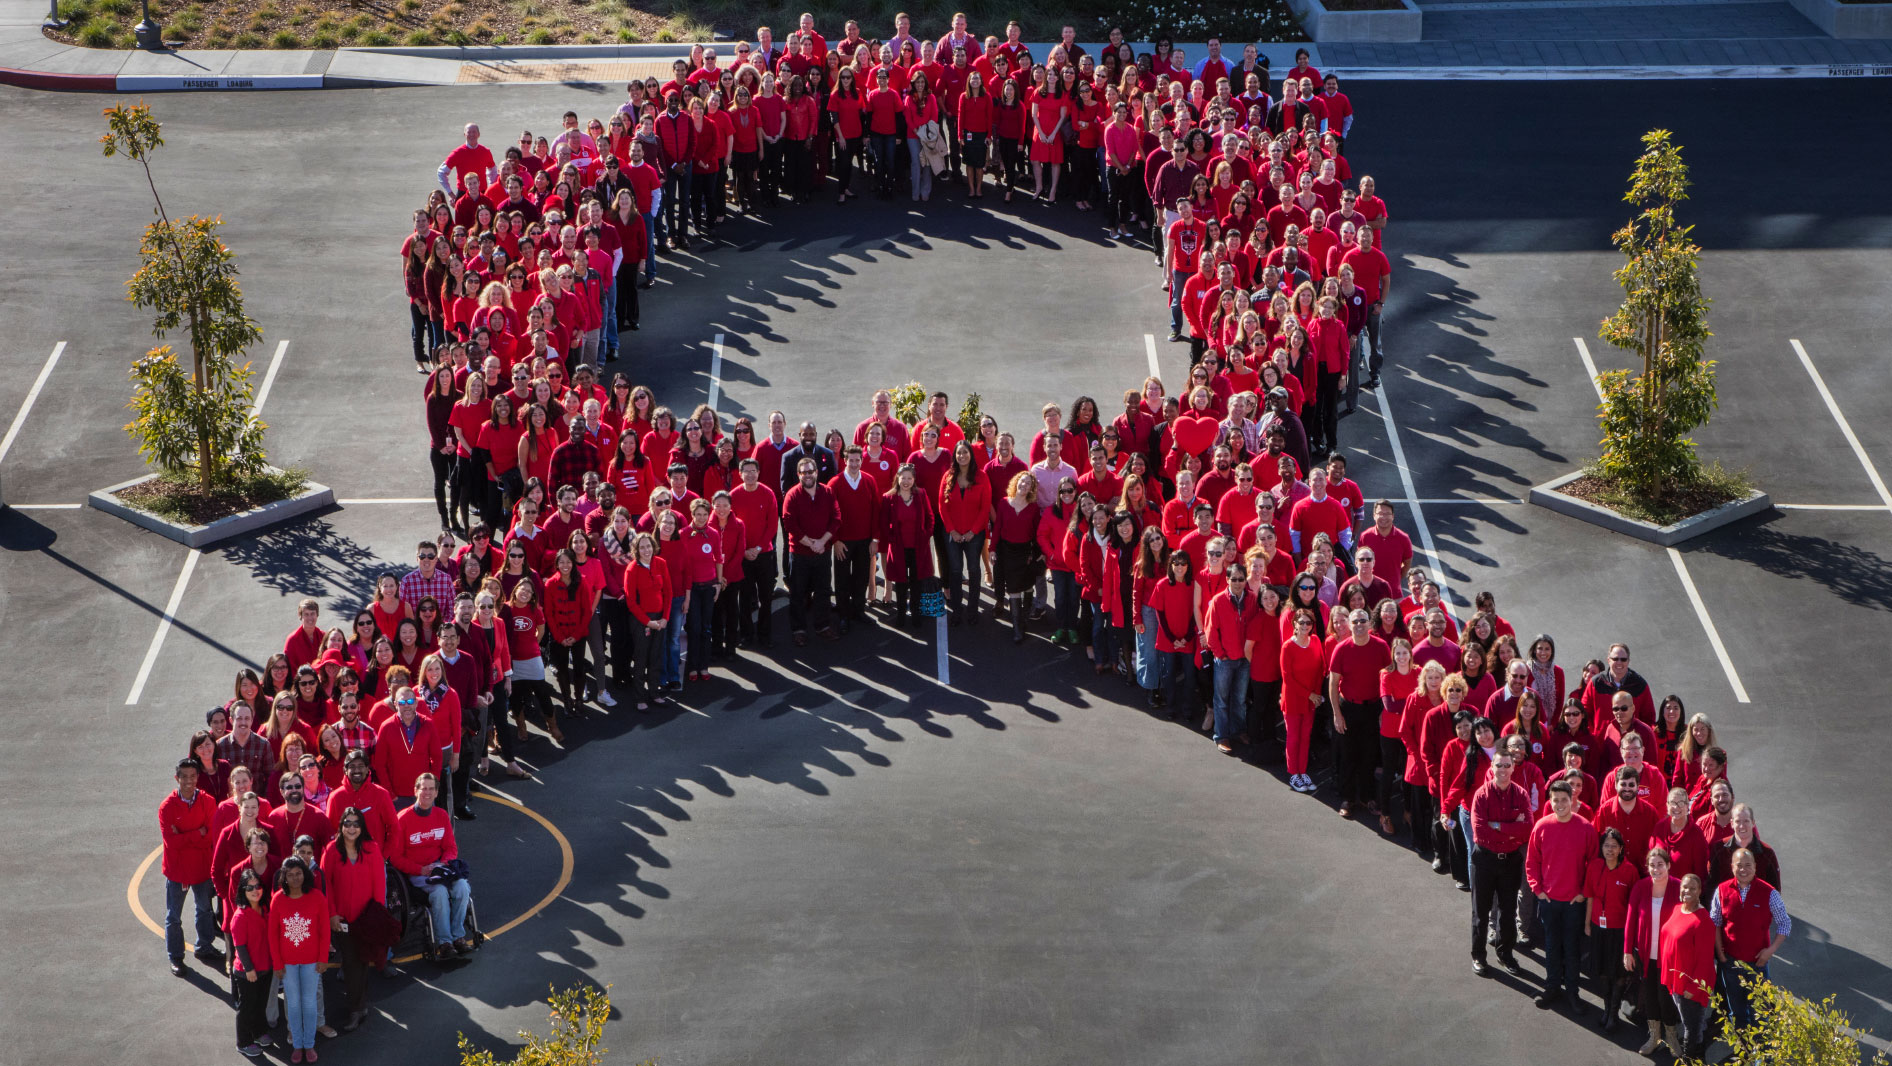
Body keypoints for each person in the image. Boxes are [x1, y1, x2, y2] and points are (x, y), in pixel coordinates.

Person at [1526, 781, 1598, 1010]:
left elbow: (1593, 864)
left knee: (1572, 948)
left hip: (1573, 903)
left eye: (1564, 800)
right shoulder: (1541, 826)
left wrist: (1582, 893)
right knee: (1551, 946)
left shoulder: (1585, 828)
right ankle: (1552, 988)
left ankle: (1573, 993)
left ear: (1572, 800)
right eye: (1555, 800)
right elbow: (1532, 862)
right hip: (1549, 901)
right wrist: (1537, 890)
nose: (1559, 804)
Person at [392, 774, 475, 961]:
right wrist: (420, 870)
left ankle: (458, 936)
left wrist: (442, 864)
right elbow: (395, 857)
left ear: (437, 792)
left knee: (462, 887)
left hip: (441, 867)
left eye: (431, 789)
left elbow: (451, 848)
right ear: (415, 790)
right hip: (418, 872)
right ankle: (445, 942)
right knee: (438, 893)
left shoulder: (441, 815)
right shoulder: (403, 819)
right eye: (423, 788)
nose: (427, 793)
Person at [321, 808, 386, 1032]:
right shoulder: (331, 850)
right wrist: (331, 914)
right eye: (347, 823)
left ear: (362, 827)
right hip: (343, 921)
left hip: (366, 919)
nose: (351, 828)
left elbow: (379, 885)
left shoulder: (372, 849)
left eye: (356, 824)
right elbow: (325, 884)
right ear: (341, 826)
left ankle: (358, 1008)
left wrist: (377, 917)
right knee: (352, 964)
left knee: (360, 963)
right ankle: (358, 1007)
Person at [1468, 752, 1531, 979]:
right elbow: (1480, 832)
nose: (1503, 769)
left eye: (1507, 765)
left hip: (1510, 862)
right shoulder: (1481, 795)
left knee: (1507, 911)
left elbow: (1527, 830)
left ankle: (1505, 954)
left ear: (1513, 768)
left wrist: (1498, 827)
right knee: (1480, 912)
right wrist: (1510, 829)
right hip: (1484, 860)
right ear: (1492, 767)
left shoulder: (1521, 794)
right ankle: (1478, 955)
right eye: (1499, 765)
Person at [1713, 847, 1790, 1031]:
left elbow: (1785, 924)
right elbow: (1714, 922)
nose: (1743, 869)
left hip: (1758, 964)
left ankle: (1760, 1056)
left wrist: (1770, 951)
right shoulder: (1722, 890)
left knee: (1761, 1013)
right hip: (1730, 964)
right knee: (1737, 1012)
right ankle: (1744, 1052)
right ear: (1732, 867)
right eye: (1739, 865)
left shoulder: (1769, 893)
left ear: (1755, 867)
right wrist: (1721, 955)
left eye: (1748, 865)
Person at [159, 757, 221, 977]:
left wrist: (186, 835)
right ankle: (175, 957)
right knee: (173, 916)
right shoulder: (166, 807)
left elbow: (210, 836)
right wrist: (198, 833)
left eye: (192, 776)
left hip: (201, 868)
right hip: (177, 871)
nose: (188, 781)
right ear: (177, 778)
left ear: (198, 777)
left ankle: (205, 946)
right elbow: (172, 843)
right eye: (184, 776)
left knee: (204, 909)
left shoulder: (208, 801)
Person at [1326, 607, 1390, 818]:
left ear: (1369, 624)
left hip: (1372, 709)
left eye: (1363, 621)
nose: (1360, 625)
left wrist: (1384, 710)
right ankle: (1348, 798)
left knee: (1369, 755)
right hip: (1349, 708)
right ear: (1350, 625)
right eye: (1355, 622)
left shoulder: (1381, 647)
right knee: (1347, 755)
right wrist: (1337, 714)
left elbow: (1388, 679)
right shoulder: (1342, 649)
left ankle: (1367, 797)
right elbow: (1333, 683)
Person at [269, 855, 331, 1063]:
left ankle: (309, 1044)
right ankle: (297, 1044)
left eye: (299, 874)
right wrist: (277, 963)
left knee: (310, 1003)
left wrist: (323, 959)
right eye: (290, 875)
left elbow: (324, 932)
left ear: (305, 875)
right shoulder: (277, 899)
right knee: (293, 1004)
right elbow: (273, 934)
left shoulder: (317, 897)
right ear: (283, 877)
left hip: (312, 962)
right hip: (287, 964)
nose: (295, 878)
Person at [1623, 845, 1682, 1055]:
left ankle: (1672, 1037)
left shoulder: (1678, 887)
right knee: (1649, 995)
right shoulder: (1640, 887)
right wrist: (1627, 951)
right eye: (1652, 865)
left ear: (1668, 865)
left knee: (1667, 998)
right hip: (1646, 954)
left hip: (1670, 957)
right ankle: (1654, 1037)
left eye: (1660, 865)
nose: (1656, 869)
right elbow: (1630, 920)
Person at [1583, 826, 1639, 1031]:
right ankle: (1606, 1009)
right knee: (1602, 972)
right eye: (1606, 845)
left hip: (1620, 931)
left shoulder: (1630, 871)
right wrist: (1587, 924)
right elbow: (1589, 896)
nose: (1610, 850)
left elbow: (1634, 907)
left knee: (1619, 973)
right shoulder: (1594, 866)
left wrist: (1631, 935)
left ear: (1621, 848)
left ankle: (1613, 1013)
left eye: (1614, 846)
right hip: (1599, 927)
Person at [1660, 874, 1717, 1062]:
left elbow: (1705, 960)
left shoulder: (1703, 921)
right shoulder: (1677, 909)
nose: (1687, 891)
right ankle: (1698, 1057)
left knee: (1691, 1028)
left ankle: (1689, 1059)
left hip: (1690, 987)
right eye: (1685, 887)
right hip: (1676, 981)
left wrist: (1693, 988)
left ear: (1700, 891)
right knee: (1690, 1024)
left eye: (1693, 888)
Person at [229, 869, 275, 1057]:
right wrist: (249, 969)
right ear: (243, 891)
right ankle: (243, 1042)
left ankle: (258, 1033)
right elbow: (239, 946)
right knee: (247, 1007)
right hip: (248, 971)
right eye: (250, 888)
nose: (255, 890)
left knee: (260, 1004)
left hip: (265, 967)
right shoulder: (240, 916)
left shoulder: (265, 909)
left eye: (257, 886)